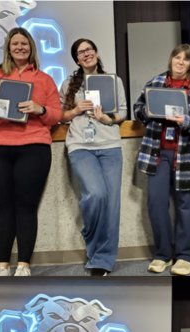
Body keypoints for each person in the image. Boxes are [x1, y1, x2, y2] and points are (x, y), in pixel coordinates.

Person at [0, 27, 62, 277]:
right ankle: (1, 264)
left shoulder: (44, 79)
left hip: (33, 147)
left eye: (24, 43)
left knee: (27, 206)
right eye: (15, 43)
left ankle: (24, 264)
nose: (20, 47)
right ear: (8, 48)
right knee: (3, 207)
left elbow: (57, 114)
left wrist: (40, 109)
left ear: (31, 47)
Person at [132, 44, 190, 276]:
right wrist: (148, 112)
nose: (180, 62)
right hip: (158, 153)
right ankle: (163, 254)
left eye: (186, 59)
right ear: (170, 60)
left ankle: (187, 257)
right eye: (177, 57)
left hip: (189, 155)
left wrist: (188, 121)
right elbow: (137, 108)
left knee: (187, 206)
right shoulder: (155, 83)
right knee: (156, 204)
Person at [59, 38, 128, 276]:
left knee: (112, 205)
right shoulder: (68, 84)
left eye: (89, 49)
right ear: (77, 59)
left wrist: (109, 119)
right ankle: (90, 235)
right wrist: (76, 110)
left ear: (96, 52)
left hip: (110, 146)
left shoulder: (114, 80)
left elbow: (123, 111)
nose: (86, 54)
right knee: (96, 195)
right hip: (80, 146)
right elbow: (61, 116)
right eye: (81, 52)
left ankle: (102, 260)